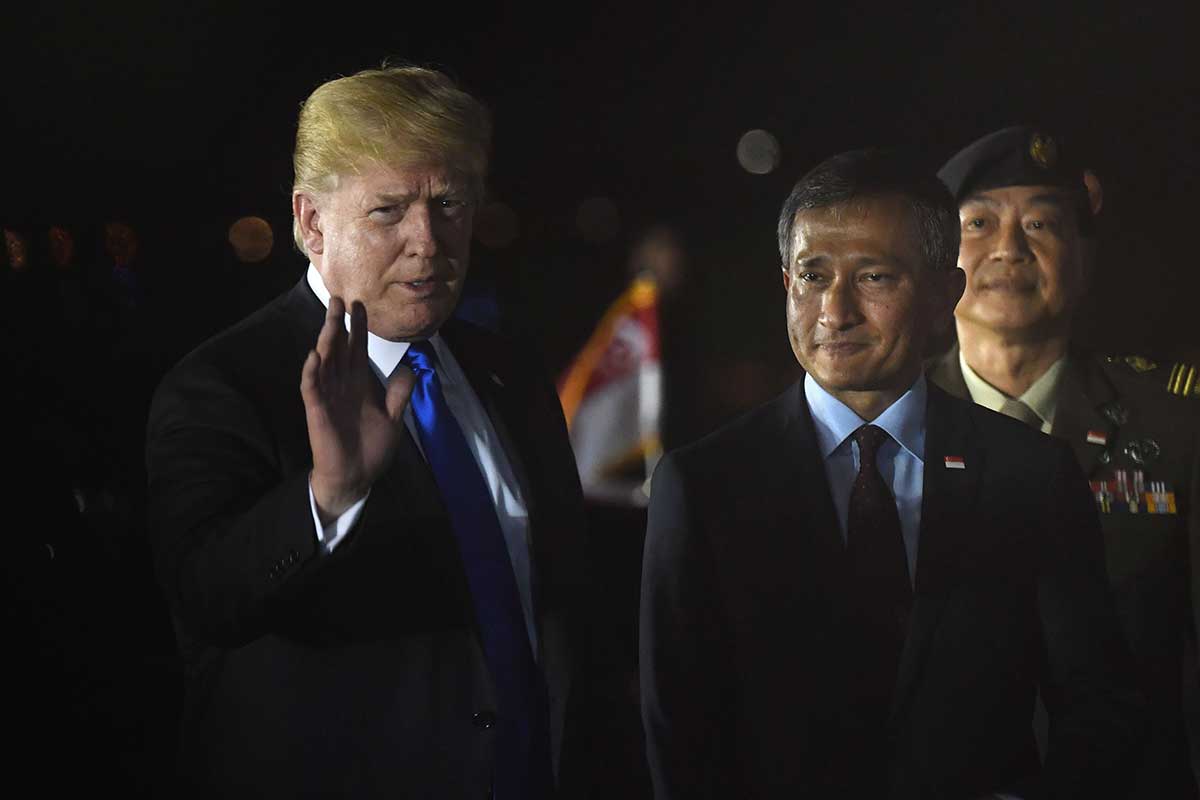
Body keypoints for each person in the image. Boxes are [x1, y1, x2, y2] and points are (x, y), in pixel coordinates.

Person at [639, 147, 1145, 798]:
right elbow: (679, 737)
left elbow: (1101, 708)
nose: (834, 311)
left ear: (944, 293)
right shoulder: (704, 485)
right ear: (785, 283)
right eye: (812, 276)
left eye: (874, 277)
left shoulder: (1030, 474)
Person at [146, 66, 594, 798]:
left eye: (449, 203)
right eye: (388, 211)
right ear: (312, 222)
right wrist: (326, 497)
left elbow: (558, 601)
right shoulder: (222, 385)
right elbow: (205, 599)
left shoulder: (507, 371)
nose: (428, 241)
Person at [930, 124, 1200, 797]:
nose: (1008, 249)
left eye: (1042, 225)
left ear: (1084, 255)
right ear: (936, 259)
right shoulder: (886, 423)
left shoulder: (1177, 421)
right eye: (979, 224)